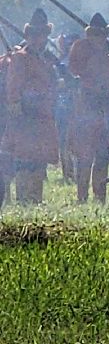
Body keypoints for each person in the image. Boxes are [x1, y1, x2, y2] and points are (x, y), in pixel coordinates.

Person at [0, 10, 61, 204]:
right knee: (25, 161)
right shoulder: (20, 57)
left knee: (39, 161)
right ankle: (24, 201)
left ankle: (35, 200)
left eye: (42, 35)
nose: (39, 39)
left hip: (43, 115)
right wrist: (17, 108)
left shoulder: (47, 59)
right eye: (35, 35)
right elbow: (13, 87)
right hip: (26, 116)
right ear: (29, 36)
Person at [67, 12, 109, 204]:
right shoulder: (80, 48)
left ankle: (100, 198)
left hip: (105, 106)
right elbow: (73, 71)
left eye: (101, 34)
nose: (97, 38)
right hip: (84, 106)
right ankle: (82, 198)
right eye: (94, 34)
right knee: (84, 157)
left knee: (103, 155)